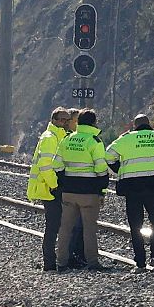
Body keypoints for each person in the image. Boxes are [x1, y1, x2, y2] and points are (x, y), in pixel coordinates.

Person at [106, 114, 154, 273]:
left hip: (132, 187)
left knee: (135, 224)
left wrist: (120, 169)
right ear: (149, 124)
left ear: (134, 125)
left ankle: (140, 262)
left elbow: (108, 155)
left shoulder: (126, 139)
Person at [53, 109, 109, 272]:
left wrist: (65, 182)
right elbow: (101, 169)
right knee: (89, 229)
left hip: (69, 191)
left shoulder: (67, 139)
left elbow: (57, 165)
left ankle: (61, 262)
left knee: (65, 228)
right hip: (89, 193)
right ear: (93, 123)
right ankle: (92, 262)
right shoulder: (94, 141)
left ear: (77, 123)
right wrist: (101, 191)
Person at [27, 107, 70, 271]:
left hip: (50, 188)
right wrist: (55, 185)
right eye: (62, 120)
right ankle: (49, 263)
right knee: (53, 226)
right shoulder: (50, 138)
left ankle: (53, 260)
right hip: (49, 189)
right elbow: (45, 165)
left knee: (56, 224)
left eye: (67, 120)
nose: (65, 123)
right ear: (54, 121)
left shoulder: (58, 137)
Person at [65, 108, 86, 268]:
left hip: (78, 187)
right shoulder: (66, 139)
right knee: (74, 225)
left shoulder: (79, 139)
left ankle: (78, 254)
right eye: (75, 120)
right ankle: (71, 256)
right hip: (70, 187)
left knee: (80, 224)